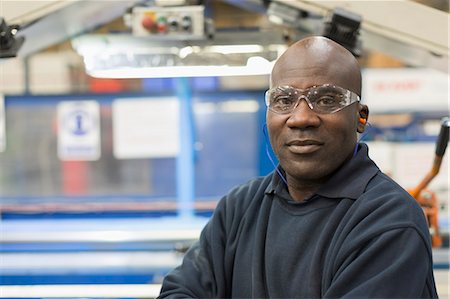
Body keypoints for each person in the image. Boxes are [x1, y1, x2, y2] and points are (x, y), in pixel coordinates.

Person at [157, 36, 438, 298]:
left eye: (326, 100)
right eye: (284, 100)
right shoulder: (240, 207)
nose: (301, 118)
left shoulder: (388, 220)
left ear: (360, 118)